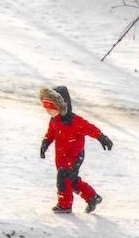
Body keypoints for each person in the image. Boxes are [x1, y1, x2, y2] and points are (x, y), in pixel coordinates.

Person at [38, 85, 111, 213]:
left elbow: (90, 128)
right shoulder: (54, 120)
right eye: (45, 106)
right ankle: (92, 197)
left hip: (74, 156)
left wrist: (101, 137)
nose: (48, 110)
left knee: (63, 178)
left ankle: (65, 205)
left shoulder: (74, 121)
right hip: (61, 157)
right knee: (70, 181)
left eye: (51, 106)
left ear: (61, 106)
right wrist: (45, 143)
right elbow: (50, 133)